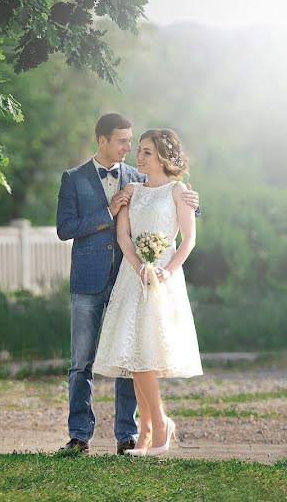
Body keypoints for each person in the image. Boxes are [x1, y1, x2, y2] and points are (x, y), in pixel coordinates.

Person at [56, 114, 200, 455]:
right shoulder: (74, 179)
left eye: (134, 143)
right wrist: (107, 212)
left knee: (129, 354)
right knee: (81, 361)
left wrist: (196, 202)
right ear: (102, 140)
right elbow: (65, 228)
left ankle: (128, 435)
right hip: (90, 280)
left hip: (133, 279)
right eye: (122, 141)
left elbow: (169, 196)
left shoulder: (137, 177)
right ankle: (79, 436)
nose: (129, 148)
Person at [93, 128, 203, 457]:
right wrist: (138, 265)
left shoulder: (178, 191)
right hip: (134, 276)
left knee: (148, 353)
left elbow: (188, 239)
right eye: (138, 150)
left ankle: (157, 424)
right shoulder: (132, 190)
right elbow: (123, 234)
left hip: (162, 280)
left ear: (162, 158)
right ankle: (148, 429)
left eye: (146, 152)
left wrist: (165, 272)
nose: (138, 156)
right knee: (137, 353)